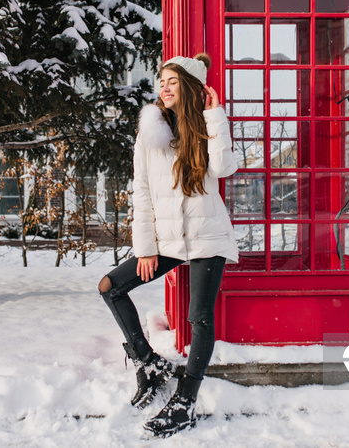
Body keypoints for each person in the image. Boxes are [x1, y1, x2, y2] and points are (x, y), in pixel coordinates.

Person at [98, 53, 239, 438]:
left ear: (190, 88)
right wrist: (144, 247)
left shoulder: (207, 126)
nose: (164, 87)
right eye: (162, 81)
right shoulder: (149, 133)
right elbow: (141, 192)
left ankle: (185, 401)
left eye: (173, 81)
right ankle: (148, 362)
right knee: (110, 288)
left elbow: (223, 168)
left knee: (199, 318)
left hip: (206, 235)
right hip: (166, 239)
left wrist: (215, 115)